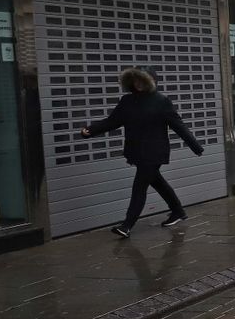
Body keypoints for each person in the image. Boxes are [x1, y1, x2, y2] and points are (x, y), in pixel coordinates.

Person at [80, 67, 203, 238]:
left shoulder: (161, 101)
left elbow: (178, 125)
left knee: (139, 187)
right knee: (157, 182)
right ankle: (178, 211)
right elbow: (112, 121)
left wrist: (195, 146)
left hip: (154, 153)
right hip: (136, 151)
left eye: (141, 80)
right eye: (135, 80)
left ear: (149, 82)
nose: (137, 84)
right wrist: (90, 130)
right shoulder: (127, 101)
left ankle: (127, 225)